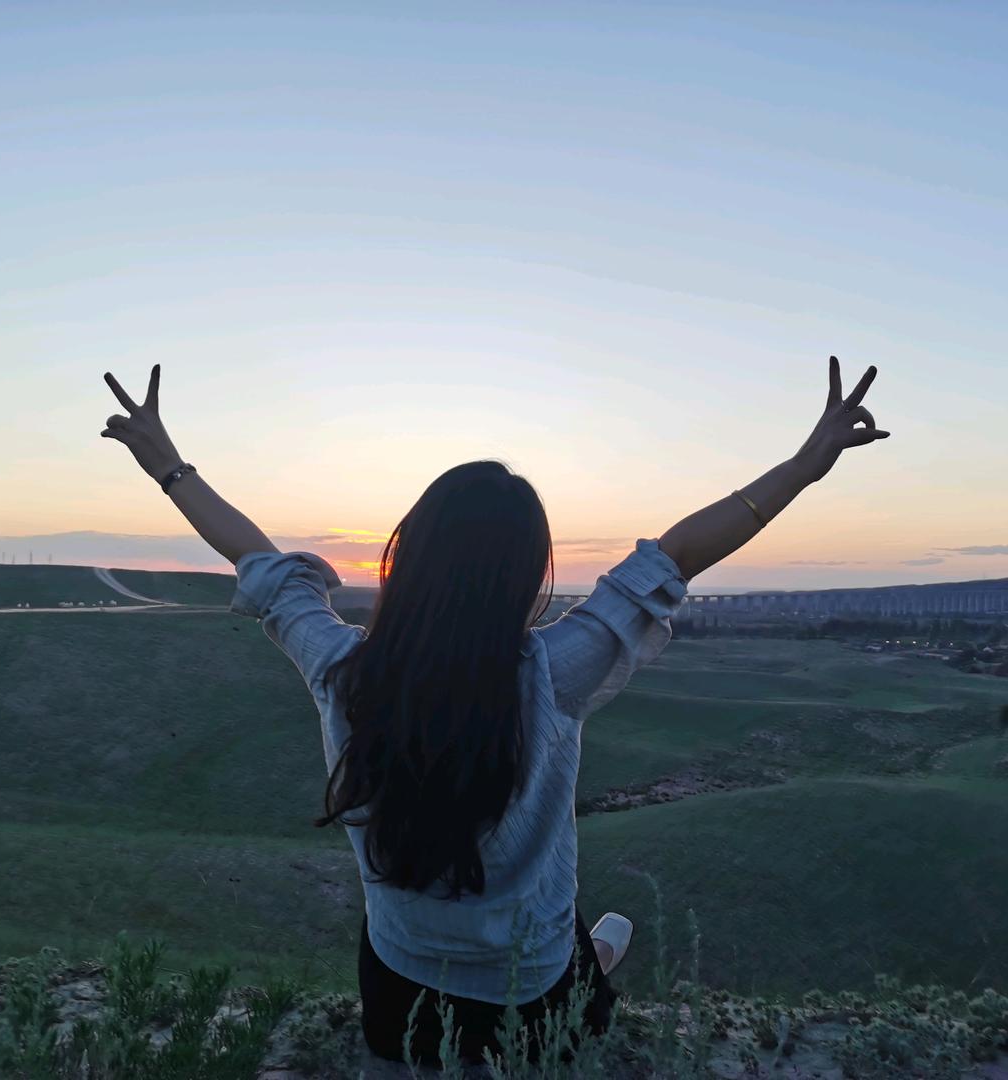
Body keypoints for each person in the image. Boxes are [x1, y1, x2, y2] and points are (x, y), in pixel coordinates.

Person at [99, 356, 889, 1066]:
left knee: (445, 1001)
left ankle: (581, 964)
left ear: (407, 557)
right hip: (531, 984)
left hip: (400, 982)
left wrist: (167, 465)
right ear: (524, 577)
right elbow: (675, 556)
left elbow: (260, 564)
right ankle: (592, 969)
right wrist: (803, 467)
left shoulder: (342, 669)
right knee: (578, 980)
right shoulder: (554, 672)